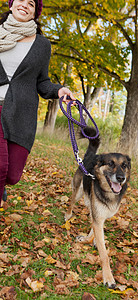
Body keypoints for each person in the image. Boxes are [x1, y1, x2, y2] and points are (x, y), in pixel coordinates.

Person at [0, 0, 76, 207]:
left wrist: (59, 90)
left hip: (21, 115)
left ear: (35, 11)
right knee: (0, 166)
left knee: (12, 174)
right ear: (11, 4)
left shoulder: (42, 45)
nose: (25, 5)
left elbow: (42, 82)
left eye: (31, 3)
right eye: (20, 0)